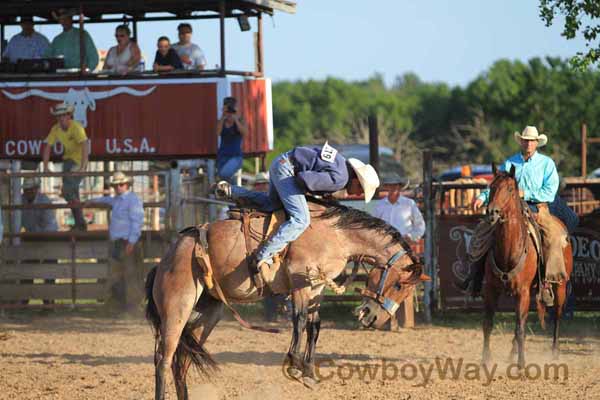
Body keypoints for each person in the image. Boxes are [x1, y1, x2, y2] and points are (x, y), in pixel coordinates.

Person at [214, 142, 380, 289]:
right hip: (288, 170)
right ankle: (264, 255)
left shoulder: (341, 166)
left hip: (282, 162)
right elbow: (304, 179)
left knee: (272, 204)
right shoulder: (340, 180)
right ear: (357, 180)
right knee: (301, 219)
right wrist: (322, 194)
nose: (357, 193)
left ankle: (231, 191)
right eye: (360, 189)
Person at [460, 126, 578, 304]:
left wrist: (526, 193)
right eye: (525, 140)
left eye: (531, 140)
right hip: (511, 209)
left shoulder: (547, 164)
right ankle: (475, 279)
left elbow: (550, 191)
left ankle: (547, 282)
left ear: (537, 143)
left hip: (539, 208)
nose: (528, 143)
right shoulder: (510, 163)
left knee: (553, 238)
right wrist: (483, 196)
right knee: (482, 232)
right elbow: (498, 184)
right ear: (521, 141)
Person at [85, 172, 144, 312]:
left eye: (121, 184)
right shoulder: (117, 200)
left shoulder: (132, 199)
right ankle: (122, 307)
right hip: (118, 242)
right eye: (116, 185)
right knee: (119, 276)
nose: (118, 187)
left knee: (129, 275)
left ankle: (132, 308)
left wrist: (132, 242)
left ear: (127, 185)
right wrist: (91, 201)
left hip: (126, 242)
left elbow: (137, 222)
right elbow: (105, 200)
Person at [42, 103, 89, 231]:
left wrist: (83, 166)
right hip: (68, 161)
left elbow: (85, 144)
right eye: (59, 116)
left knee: (67, 191)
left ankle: (80, 223)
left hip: (79, 162)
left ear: (69, 115)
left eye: (64, 115)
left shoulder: (77, 127)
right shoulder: (55, 129)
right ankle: (80, 223)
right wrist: (45, 166)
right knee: (72, 193)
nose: (61, 118)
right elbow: (47, 146)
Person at [373, 173, 425, 242]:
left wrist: (411, 236)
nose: (393, 187)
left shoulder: (409, 203)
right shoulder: (379, 205)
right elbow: (374, 226)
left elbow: (420, 225)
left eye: (395, 185)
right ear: (386, 186)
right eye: (390, 185)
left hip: (404, 245)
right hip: (384, 245)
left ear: (400, 186)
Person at [216, 97, 248, 183]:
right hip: (222, 156)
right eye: (227, 109)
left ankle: (233, 192)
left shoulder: (241, 120)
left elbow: (244, 133)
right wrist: (223, 116)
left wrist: (236, 120)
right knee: (227, 182)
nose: (229, 113)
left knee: (224, 175)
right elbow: (218, 133)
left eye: (231, 109)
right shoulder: (221, 121)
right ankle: (234, 194)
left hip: (236, 157)